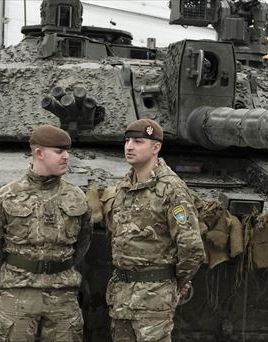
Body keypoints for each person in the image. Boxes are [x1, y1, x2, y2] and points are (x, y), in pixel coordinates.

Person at [0, 124, 92, 341]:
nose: (67, 157)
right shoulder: (7, 196)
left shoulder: (77, 197)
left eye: (67, 151)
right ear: (39, 153)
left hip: (64, 296)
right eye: (59, 152)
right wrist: (22, 270)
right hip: (18, 293)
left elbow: (83, 241)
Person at [102, 119, 206, 342]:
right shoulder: (123, 187)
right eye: (127, 141)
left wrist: (176, 283)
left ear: (155, 147)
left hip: (154, 297)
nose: (129, 146)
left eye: (138, 142)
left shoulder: (171, 190)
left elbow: (191, 246)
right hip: (122, 294)